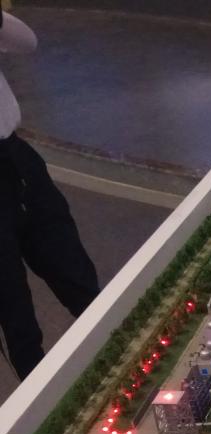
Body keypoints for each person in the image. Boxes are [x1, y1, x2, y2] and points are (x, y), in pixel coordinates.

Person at [1, 7, 99, 380]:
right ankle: (44, 400)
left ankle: (125, 364)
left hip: (15, 157)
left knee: (75, 273)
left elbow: (26, 42)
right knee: (15, 313)